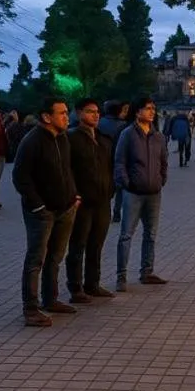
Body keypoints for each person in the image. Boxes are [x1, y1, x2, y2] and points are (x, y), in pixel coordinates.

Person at [11, 97, 80, 327]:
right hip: (42, 211)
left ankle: (51, 299)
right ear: (46, 117)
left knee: (55, 257)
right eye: (61, 113)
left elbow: (68, 169)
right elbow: (20, 178)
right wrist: (38, 205)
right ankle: (31, 307)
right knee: (36, 259)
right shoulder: (32, 141)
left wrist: (73, 195)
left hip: (65, 207)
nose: (66, 117)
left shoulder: (62, 138)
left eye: (66, 112)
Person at [114, 96, 169, 291]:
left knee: (151, 234)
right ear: (137, 112)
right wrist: (126, 183)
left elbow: (163, 161)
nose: (152, 112)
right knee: (126, 235)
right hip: (133, 192)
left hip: (154, 192)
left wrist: (162, 179)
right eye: (147, 108)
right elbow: (119, 161)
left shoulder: (158, 136)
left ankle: (147, 271)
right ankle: (121, 276)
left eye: (153, 108)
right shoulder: (128, 134)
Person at [66, 98, 117, 303]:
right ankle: (75, 287)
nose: (95, 115)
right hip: (82, 201)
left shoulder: (103, 139)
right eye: (90, 111)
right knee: (78, 245)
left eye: (97, 112)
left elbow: (110, 167)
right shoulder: (71, 138)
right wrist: (73, 194)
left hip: (103, 200)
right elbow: (66, 169)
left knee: (96, 244)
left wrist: (111, 188)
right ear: (79, 114)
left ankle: (92, 283)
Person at [98, 100, 129, 223]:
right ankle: (116, 211)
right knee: (120, 188)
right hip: (119, 160)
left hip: (102, 159)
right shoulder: (124, 126)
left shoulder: (99, 123)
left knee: (105, 187)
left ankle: (105, 210)